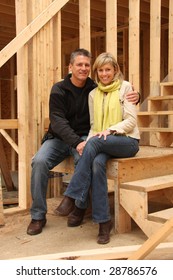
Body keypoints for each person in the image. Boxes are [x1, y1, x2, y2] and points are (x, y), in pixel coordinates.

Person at [27, 48, 140, 235]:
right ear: (70, 67)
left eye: (87, 65)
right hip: (60, 138)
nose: (83, 68)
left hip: (87, 137)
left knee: (85, 160)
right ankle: (38, 215)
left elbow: (119, 91)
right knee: (38, 162)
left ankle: (78, 206)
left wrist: (137, 96)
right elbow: (57, 121)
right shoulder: (60, 89)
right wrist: (77, 142)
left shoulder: (92, 88)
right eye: (79, 64)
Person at [57, 52, 140, 244]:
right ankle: (104, 222)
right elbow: (94, 126)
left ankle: (72, 195)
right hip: (103, 143)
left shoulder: (126, 87)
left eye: (108, 70)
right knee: (96, 163)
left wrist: (110, 131)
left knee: (93, 142)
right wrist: (91, 139)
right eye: (100, 70)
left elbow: (131, 121)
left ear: (115, 70)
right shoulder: (93, 94)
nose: (104, 74)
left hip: (126, 141)